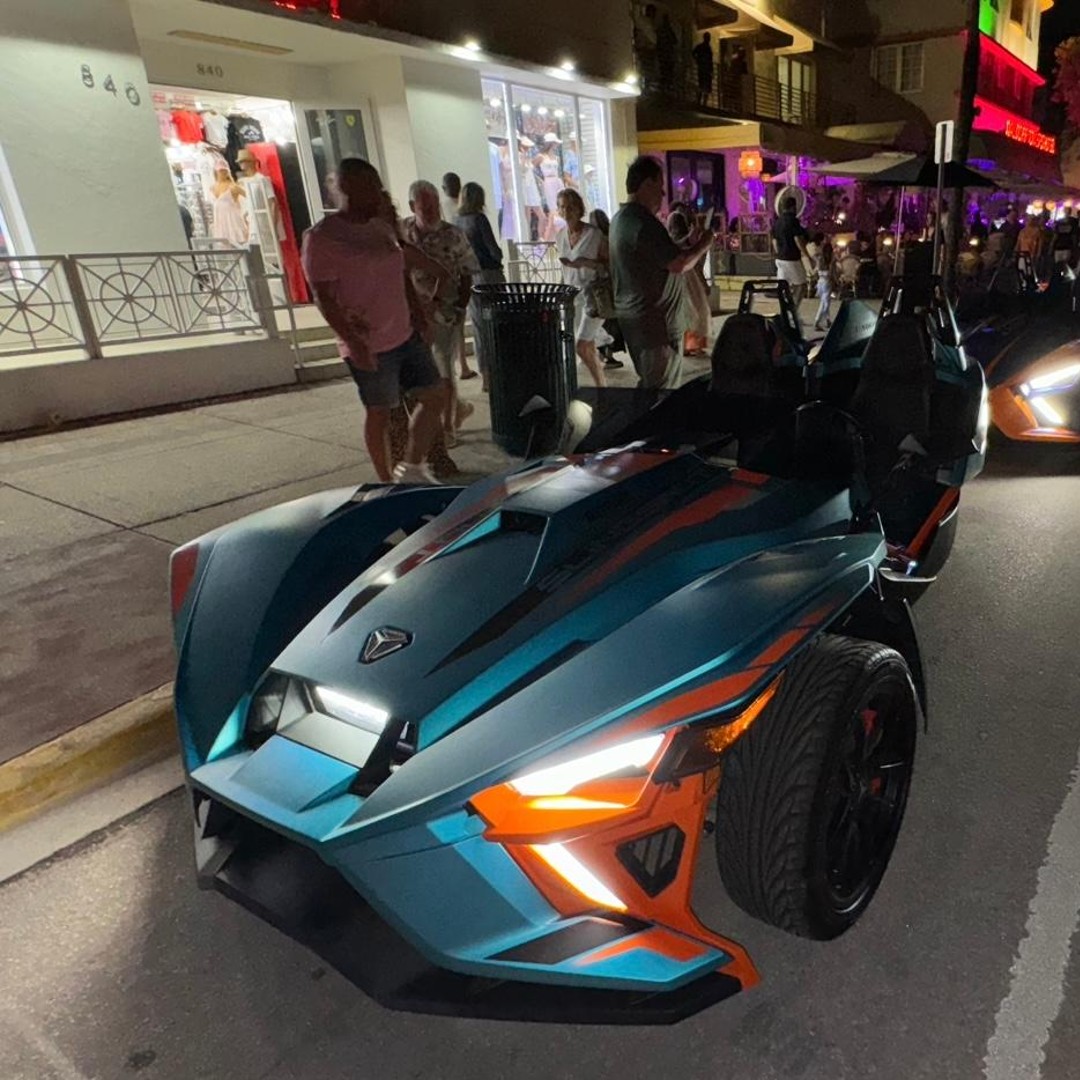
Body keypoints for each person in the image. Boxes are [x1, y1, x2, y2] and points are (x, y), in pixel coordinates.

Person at [301, 158, 447, 485]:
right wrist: (352, 341)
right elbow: (323, 297)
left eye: (378, 187)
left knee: (434, 395)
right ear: (346, 190)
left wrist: (419, 314)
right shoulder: (322, 238)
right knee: (380, 411)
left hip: (404, 333)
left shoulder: (380, 228)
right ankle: (385, 482)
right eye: (370, 189)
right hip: (368, 342)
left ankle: (411, 466)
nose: (379, 195)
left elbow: (401, 274)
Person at [609, 155, 712, 389]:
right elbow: (679, 263)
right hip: (656, 326)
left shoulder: (621, 219)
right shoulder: (642, 221)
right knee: (660, 391)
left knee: (651, 384)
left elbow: (661, 257)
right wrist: (704, 244)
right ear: (647, 184)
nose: (663, 194)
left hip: (638, 321)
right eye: (660, 186)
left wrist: (688, 243)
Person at [403, 180, 479, 449]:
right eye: (425, 207)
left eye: (435, 205)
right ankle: (458, 408)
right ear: (412, 207)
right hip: (412, 313)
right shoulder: (403, 232)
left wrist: (460, 307)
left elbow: (468, 274)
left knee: (444, 368)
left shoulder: (453, 235)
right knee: (424, 374)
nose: (432, 211)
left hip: (444, 311)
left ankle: (448, 426)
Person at [556, 187, 610, 389]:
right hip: (573, 298)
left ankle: (602, 387)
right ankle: (601, 387)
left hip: (594, 296)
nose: (566, 212)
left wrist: (585, 263)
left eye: (570, 207)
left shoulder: (594, 235)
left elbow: (609, 265)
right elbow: (564, 269)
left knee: (581, 345)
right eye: (562, 207)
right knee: (587, 345)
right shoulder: (560, 236)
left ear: (579, 209)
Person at [456, 181, 505, 390]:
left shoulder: (457, 221)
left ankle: (486, 376)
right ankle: (498, 371)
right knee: (496, 324)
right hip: (489, 275)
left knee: (478, 327)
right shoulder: (479, 219)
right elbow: (493, 249)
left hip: (469, 276)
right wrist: (499, 257)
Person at [667, 202, 711, 356]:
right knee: (695, 312)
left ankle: (686, 344)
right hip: (690, 280)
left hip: (680, 281)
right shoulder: (687, 243)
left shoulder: (672, 244)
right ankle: (692, 344)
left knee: (686, 313)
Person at [589, 208, 625, 369]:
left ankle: (603, 353)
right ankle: (607, 354)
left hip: (601, 286)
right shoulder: (609, 238)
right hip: (609, 285)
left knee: (604, 320)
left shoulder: (593, 240)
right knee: (610, 320)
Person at [772, 195, 811, 310]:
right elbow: (797, 239)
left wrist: (779, 253)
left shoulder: (777, 222)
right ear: (793, 207)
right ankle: (793, 310)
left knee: (784, 287)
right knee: (802, 285)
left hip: (780, 259)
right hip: (792, 258)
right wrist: (806, 255)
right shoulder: (793, 221)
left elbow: (774, 241)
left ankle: (785, 310)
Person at [810, 232, 834, 332]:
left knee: (824, 302)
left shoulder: (820, 259)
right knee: (825, 304)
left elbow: (815, 271)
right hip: (827, 283)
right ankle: (817, 322)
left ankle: (828, 320)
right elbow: (832, 274)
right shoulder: (831, 261)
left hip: (820, 283)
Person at [693, 32, 714, 106]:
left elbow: (710, 60)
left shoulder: (705, 47)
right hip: (704, 68)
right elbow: (693, 53)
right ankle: (700, 101)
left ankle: (702, 102)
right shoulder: (703, 47)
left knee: (704, 85)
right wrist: (698, 60)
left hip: (705, 68)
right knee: (703, 84)